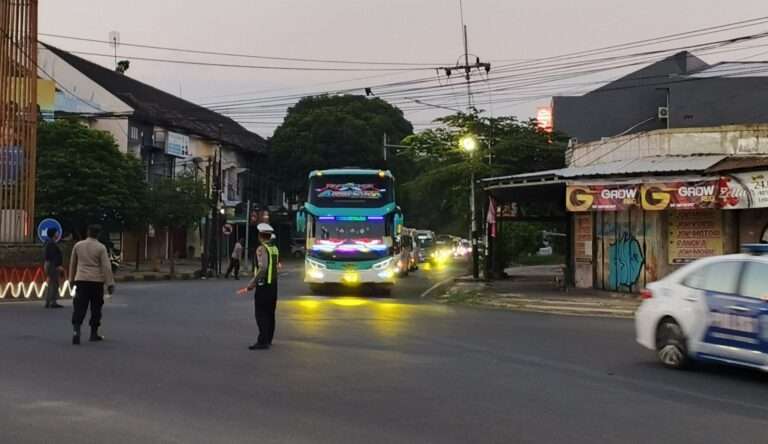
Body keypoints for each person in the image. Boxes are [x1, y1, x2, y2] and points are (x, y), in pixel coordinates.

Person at [69, 224, 115, 345]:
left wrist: (71, 280)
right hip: (96, 281)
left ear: (88, 232)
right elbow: (106, 267)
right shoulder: (101, 248)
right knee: (96, 307)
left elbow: (73, 264)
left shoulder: (78, 245)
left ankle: (76, 331)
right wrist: (110, 283)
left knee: (79, 306)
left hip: (81, 280)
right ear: (99, 234)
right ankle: (93, 333)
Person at [246, 224, 279, 350]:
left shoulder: (262, 248)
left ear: (260, 235)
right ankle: (269, 339)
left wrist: (253, 282)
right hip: (273, 285)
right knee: (270, 313)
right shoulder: (274, 248)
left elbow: (263, 267)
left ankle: (262, 341)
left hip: (264, 285)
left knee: (261, 313)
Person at [43, 227, 64, 308]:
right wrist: (58, 266)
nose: (58, 234)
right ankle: (53, 301)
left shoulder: (48, 243)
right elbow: (53, 256)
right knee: (54, 283)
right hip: (52, 265)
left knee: (51, 282)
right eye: (56, 232)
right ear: (54, 234)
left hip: (50, 264)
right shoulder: (52, 243)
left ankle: (48, 300)